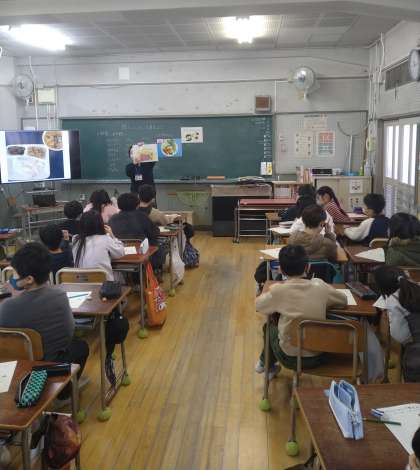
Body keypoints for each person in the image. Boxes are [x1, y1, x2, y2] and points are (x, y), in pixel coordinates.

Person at [0, 243, 89, 398]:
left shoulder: (8, 306)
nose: (12, 279)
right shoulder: (59, 296)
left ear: (29, 279)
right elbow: (70, 331)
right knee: (81, 346)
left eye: (14, 274)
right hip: (49, 366)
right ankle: (63, 394)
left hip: (13, 368)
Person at [255, 245, 347, 378]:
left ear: (281, 270)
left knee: (269, 327)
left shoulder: (279, 291)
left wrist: (273, 290)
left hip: (290, 358)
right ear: (308, 267)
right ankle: (263, 363)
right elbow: (343, 300)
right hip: (320, 354)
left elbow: (259, 305)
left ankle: (265, 364)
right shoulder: (320, 286)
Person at [374, 266, 420, 383]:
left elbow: (399, 335)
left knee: (413, 387)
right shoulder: (416, 288)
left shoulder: (393, 300)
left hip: (416, 356)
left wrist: (388, 320)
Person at [108, 192, 165, 270]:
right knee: (159, 246)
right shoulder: (142, 216)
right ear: (137, 204)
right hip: (141, 254)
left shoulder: (112, 219)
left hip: (118, 254)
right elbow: (155, 233)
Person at [73, 210, 125, 281]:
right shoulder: (105, 239)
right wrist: (112, 235)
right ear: (100, 224)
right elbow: (120, 253)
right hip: (103, 284)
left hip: (81, 282)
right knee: (119, 275)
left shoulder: (75, 240)